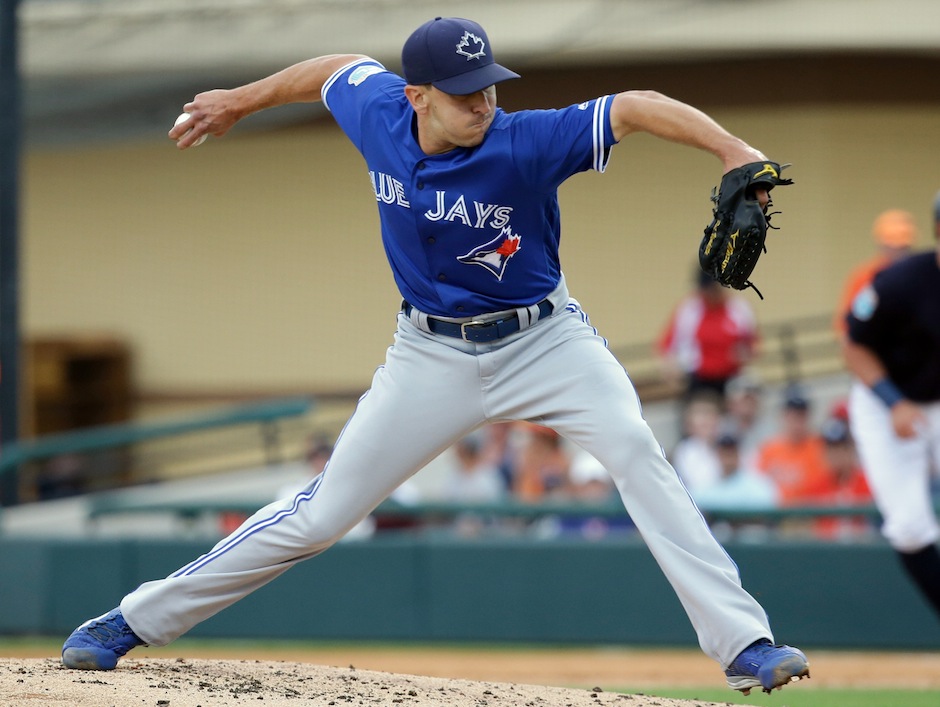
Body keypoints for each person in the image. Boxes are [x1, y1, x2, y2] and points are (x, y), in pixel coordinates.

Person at [60, 16, 808, 693]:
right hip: (428, 354)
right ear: (416, 95)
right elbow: (333, 68)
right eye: (462, 93)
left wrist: (731, 147)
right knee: (322, 515)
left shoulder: (524, 141)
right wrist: (241, 101)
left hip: (547, 341)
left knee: (639, 453)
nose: (482, 103)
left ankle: (744, 643)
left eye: (486, 86)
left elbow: (635, 105)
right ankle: (129, 622)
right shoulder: (379, 113)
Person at [842, 190, 940, 617]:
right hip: (887, 402)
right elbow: (854, 348)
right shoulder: (899, 282)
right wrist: (893, 401)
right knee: (910, 528)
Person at [657, 268, 758, 404]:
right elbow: (667, 347)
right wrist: (672, 372)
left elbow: (753, 344)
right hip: (699, 379)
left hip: (731, 376)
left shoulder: (738, 308)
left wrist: (744, 354)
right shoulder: (689, 310)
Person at [833, 209, 917, 334]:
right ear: (880, 242)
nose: (897, 248)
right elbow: (847, 326)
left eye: (903, 242)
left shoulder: (922, 274)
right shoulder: (867, 277)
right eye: (891, 240)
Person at [754, 391, 832, 505]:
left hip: (810, 513)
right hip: (776, 514)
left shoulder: (820, 446)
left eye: (801, 415)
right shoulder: (769, 449)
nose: (797, 422)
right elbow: (758, 487)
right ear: (784, 416)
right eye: (793, 415)